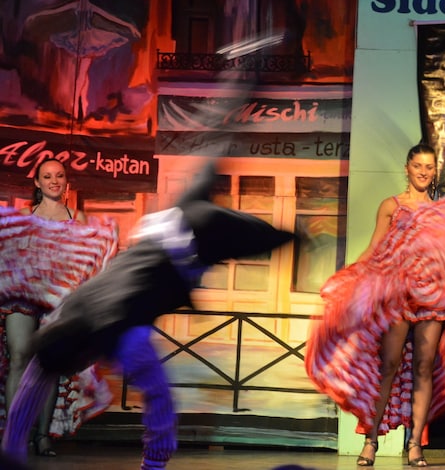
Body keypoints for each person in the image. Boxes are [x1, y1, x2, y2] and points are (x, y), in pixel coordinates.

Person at [1, 160, 296, 469]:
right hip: (139, 279)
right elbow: (36, 379)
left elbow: (157, 397)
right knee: (155, 394)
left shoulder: (113, 331)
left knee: (47, 368)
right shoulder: (77, 316)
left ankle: (288, 233)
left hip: (147, 272)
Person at [305, 143, 445, 467]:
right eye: (418, 166)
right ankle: (370, 441)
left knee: (423, 367)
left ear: (434, 171)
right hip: (398, 294)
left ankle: (415, 444)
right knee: (388, 365)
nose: (423, 172)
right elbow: (375, 248)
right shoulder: (392, 206)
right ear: (407, 168)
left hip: (431, 297)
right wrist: (351, 278)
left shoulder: (441, 212)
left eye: (429, 167)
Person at [1, 158, 108, 457]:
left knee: (47, 364)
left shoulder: (78, 219)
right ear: (37, 182)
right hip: (23, 297)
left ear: (66, 182)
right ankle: (15, 435)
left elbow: (90, 262)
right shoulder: (24, 216)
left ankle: (42, 436)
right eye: (47, 176)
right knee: (19, 357)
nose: (53, 181)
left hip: (59, 301)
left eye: (59, 175)